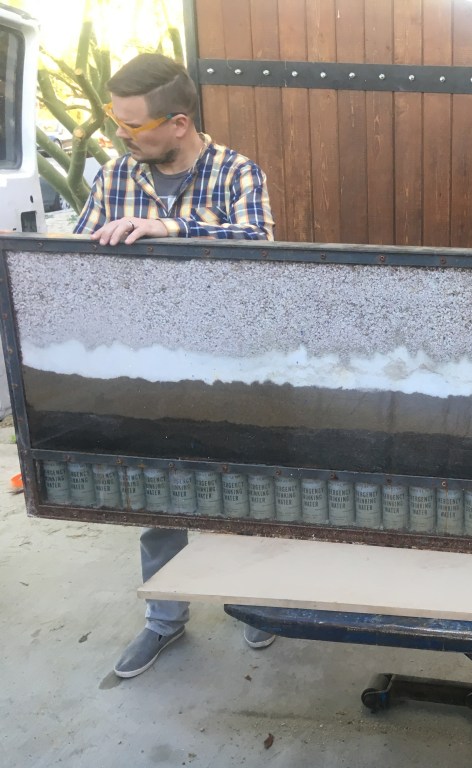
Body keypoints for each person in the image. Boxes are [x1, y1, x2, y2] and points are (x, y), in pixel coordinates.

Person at [74, 53, 277, 678]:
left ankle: (256, 606)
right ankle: (164, 621)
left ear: (179, 122)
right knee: (156, 494)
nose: (120, 134)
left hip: (230, 363)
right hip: (147, 370)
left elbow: (261, 241)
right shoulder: (114, 175)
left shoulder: (237, 172)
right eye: (114, 119)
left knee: (243, 491)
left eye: (132, 124)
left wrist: (167, 226)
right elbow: (77, 253)